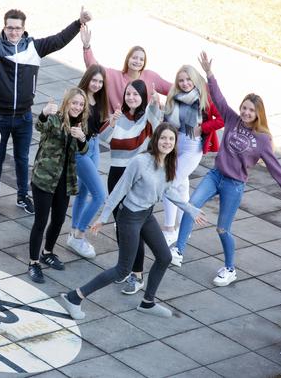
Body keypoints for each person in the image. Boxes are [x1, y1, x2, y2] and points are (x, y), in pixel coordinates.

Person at [171, 52, 281, 287]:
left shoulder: (263, 140)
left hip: (234, 185)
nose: (245, 112)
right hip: (215, 176)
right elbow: (219, 98)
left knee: (223, 229)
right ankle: (179, 250)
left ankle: (230, 268)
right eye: (244, 108)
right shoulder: (232, 119)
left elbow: (276, 169)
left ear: (258, 114)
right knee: (190, 206)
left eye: (250, 110)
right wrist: (209, 74)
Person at [0, 0, 92, 215]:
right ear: (4, 28)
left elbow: (59, 40)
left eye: (17, 28)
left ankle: (23, 196)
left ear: (23, 29)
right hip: (0, 116)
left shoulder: (34, 48)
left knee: (22, 159)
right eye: (10, 27)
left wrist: (78, 22)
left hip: (24, 117)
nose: (14, 31)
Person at [59, 123, 206, 320]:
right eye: (163, 138)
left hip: (146, 214)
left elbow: (168, 190)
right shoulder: (140, 162)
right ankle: (74, 297)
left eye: (171, 139)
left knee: (164, 257)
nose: (167, 142)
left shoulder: (169, 163)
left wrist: (191, 209)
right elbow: (119, 190)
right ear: (156, 140)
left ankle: (148, 303)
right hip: (129, 217)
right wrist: (103, 218)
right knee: (123, 270)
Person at [99, 79, 162, 295]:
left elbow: (156, 116)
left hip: (137, 177)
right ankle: (123, 268)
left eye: (136, 94)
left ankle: (137, 275)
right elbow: (104, 139)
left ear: (143, 97)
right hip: (116, 174)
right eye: (128, 94)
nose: (131, 98)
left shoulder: (147, 118)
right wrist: (113, 122)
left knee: (136, 228)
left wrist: (154, 101)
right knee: (121, 226)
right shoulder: (119, 117)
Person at [27, 87, 89, 284]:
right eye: (74, 103)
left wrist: (82, 138)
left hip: (65, 181)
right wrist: (44, 113)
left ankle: (47, 252)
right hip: (44, 179)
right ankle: (33, 262)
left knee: (59, 219)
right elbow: (40, 126)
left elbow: (84, 150)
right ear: (67, 102)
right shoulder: (55, 118)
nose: (77, 107)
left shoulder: (80, 124)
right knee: (41, 221)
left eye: (81, 104)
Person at [161, 65, 224, 244]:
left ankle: (169, 229)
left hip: (192, 148)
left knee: (168, 184)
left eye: (188, 79)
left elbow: (221, 119)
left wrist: (202, 128)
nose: (185, 83)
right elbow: (167, 122)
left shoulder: (204, 99)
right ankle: (184, 227)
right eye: (181, 80)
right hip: (173, 145)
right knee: (181, 188)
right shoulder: (174, 97)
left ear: (195, 80)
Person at [67, 65, 109, 258]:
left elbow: (100, 130)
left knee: (84, 192)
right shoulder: (79, 98)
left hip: (94, 144)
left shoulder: (100, 100)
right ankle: (79, 234)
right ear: (87, 79)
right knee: (100, 195)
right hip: (81, 149)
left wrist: (112, 122)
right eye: (94, 80)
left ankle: (74, 231)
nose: (97, 84)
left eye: (101, 81)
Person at [81, 25, 170, 111]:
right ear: (128, 59)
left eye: (141, 59)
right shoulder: (114, 76)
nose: (137, 61)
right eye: (134, 58)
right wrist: (87, 46)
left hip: (145, 123)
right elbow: (94, 68)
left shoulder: (151, 76)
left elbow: (173, 89)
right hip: (117, 123)